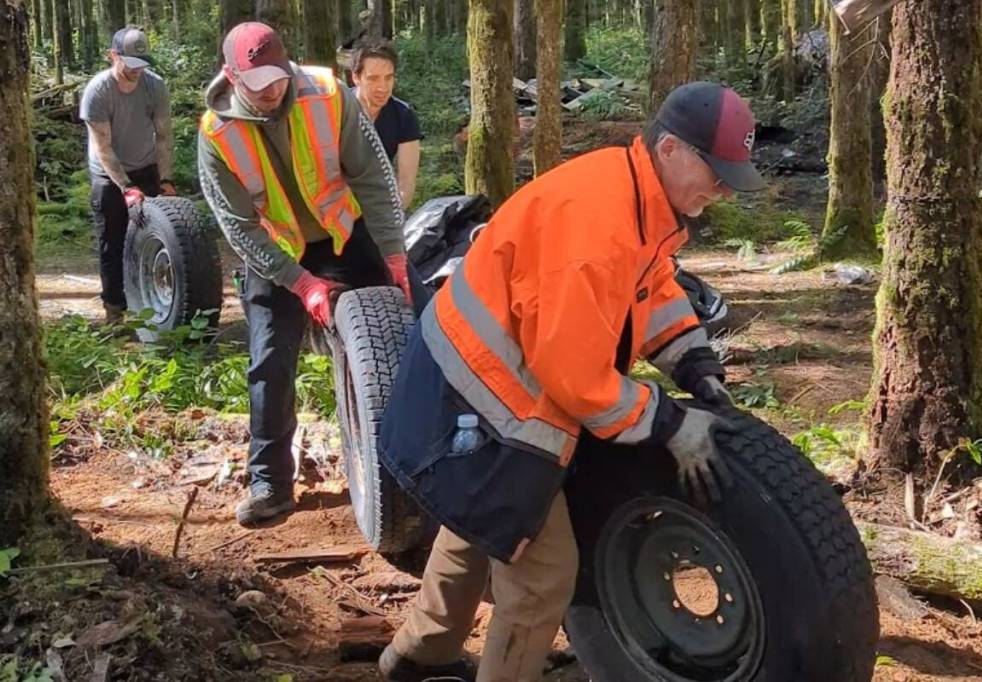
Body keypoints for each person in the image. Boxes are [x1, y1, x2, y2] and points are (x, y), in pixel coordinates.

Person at [377, 81, 766, 682]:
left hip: (473, 375)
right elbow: (575, 379)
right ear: (669, 150)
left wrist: (696, 367)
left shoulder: (637, 196)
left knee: (477, 524)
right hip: (475, 396)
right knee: (542, 574)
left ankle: (416, 656)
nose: (720, 189)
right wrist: (669, 421)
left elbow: (652, 288)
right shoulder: (595, 229)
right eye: (713, 172)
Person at [197, 22, 413, 526]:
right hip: (274, 250)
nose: (271, 90)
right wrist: (301, 284)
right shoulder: (216, 133)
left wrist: (395, 255)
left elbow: (372, 178)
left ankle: (410, 469)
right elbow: (238, 227)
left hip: (342, 229)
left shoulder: (328, 94)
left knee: (400, 332)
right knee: (270, 362)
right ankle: (270, 481)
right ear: (232, 77)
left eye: (277, 77)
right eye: (257, 83)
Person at [81, 26, 174, 324]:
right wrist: (126, 187)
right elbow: (103, 147)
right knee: (113, 242)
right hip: (108, 175)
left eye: (142, 65)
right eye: (130, 65)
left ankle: (153, 304)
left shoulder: (155, 86)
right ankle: (115, 312)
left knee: (156, 237)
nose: (136, 72)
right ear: (113, 56)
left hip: (146, 167)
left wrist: (166, 179)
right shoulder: (98, 92)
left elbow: (163, 136)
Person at [350, 39, 423, 209]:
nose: (382, 87)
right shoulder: (337, 110)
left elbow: (406, 181)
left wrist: (392, 216)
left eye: (388, 78)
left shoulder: (403, 115)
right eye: (373, 79)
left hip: (379, 201)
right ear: (356, 77)